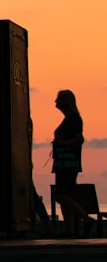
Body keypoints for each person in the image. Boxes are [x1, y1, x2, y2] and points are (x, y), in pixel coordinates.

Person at [52, 89, 94, 237]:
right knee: (65, 196)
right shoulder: (69, 118)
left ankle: (86, 218)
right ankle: (68, 229)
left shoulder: (74, 118)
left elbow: (79, 139)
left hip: (68, 163)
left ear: (66, 102)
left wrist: (62, 142)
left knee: (60, 195)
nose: (56, 102)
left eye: (59, 99)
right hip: (63, 162)